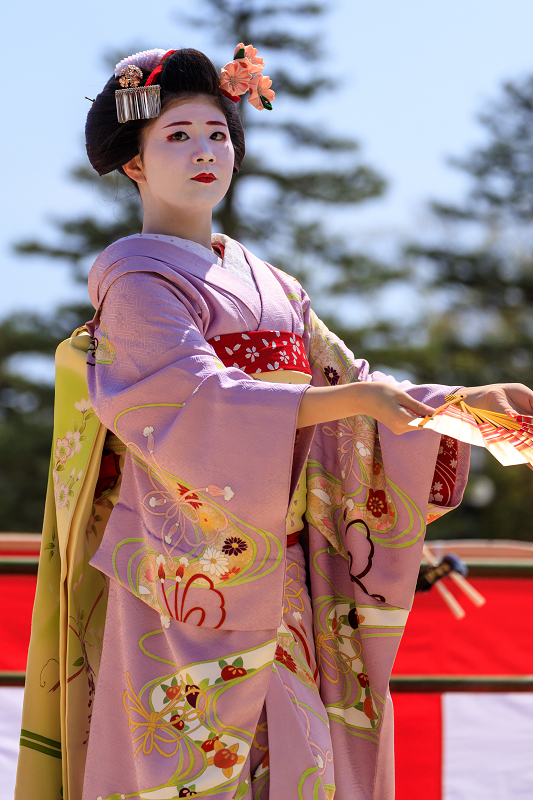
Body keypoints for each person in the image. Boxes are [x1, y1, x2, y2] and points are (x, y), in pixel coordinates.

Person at [15, 46, 533, 800]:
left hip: (280, 564)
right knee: (182, 764)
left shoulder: (275, 285)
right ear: (134, 163)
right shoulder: (136, 277)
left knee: (296, 759)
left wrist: (465, 408)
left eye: (217, 133)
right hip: (180, 568)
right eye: (177, 136)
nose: (205, 151)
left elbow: (352, 388)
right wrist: (356, 403)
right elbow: (190, 401)